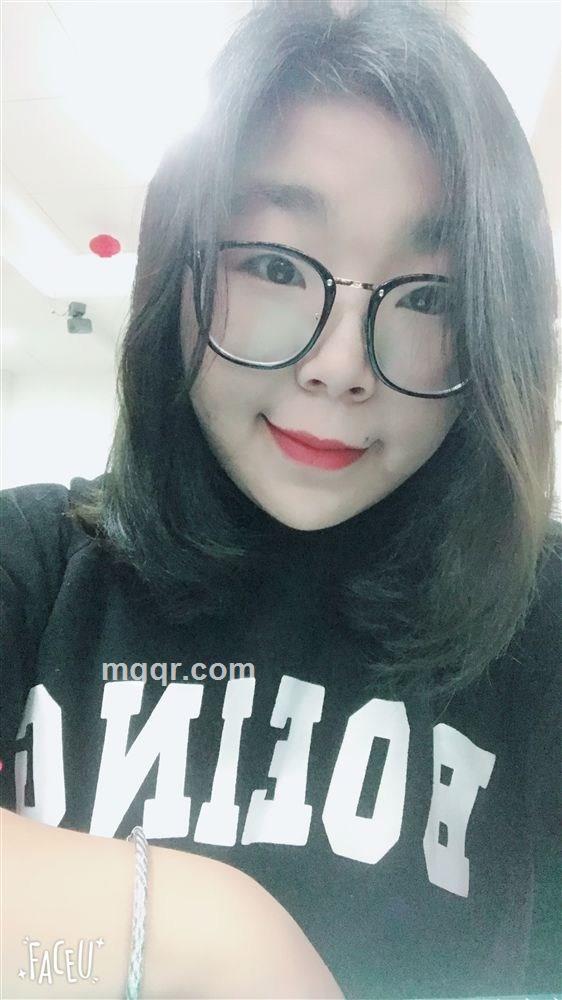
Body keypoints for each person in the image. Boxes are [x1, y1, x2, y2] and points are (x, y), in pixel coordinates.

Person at [1, 0, 560, 997]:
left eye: (430, 296)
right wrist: (206, 932)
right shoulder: (34, 563)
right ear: (179, 271)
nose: (339, 367)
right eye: (271, 265)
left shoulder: (542, 621)